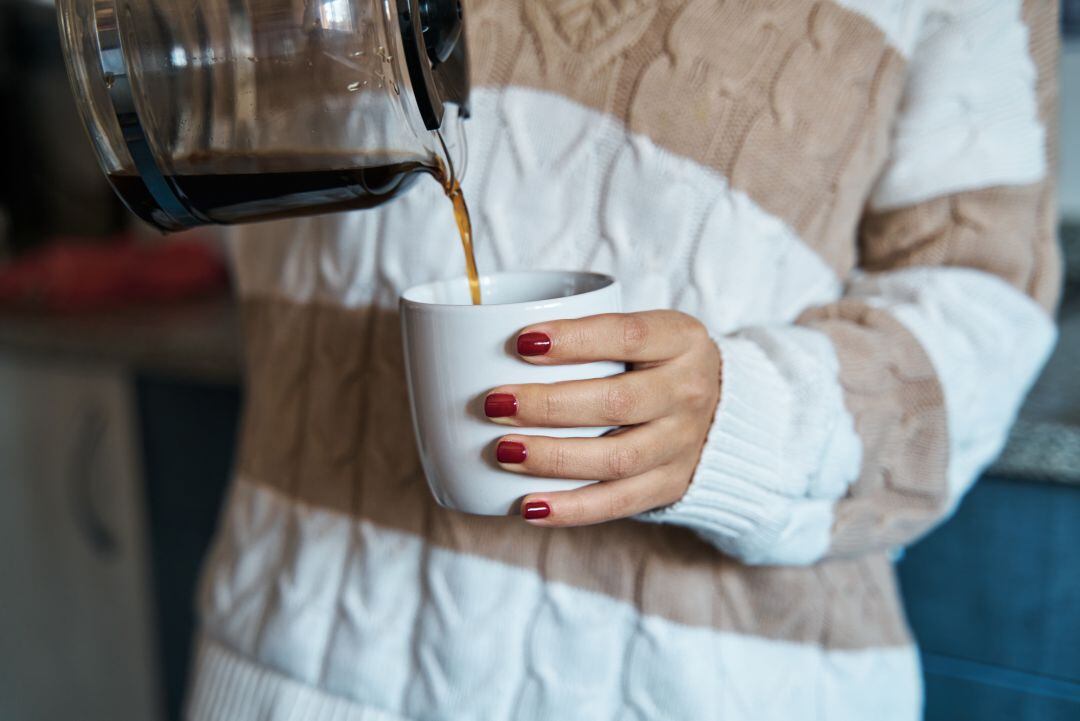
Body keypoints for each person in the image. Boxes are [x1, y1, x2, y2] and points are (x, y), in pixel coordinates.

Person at [186, 1, 1062, 719]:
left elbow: (985, 299)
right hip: (303, 660)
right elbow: (222, 147)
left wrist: (747, 416)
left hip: (715, 685)